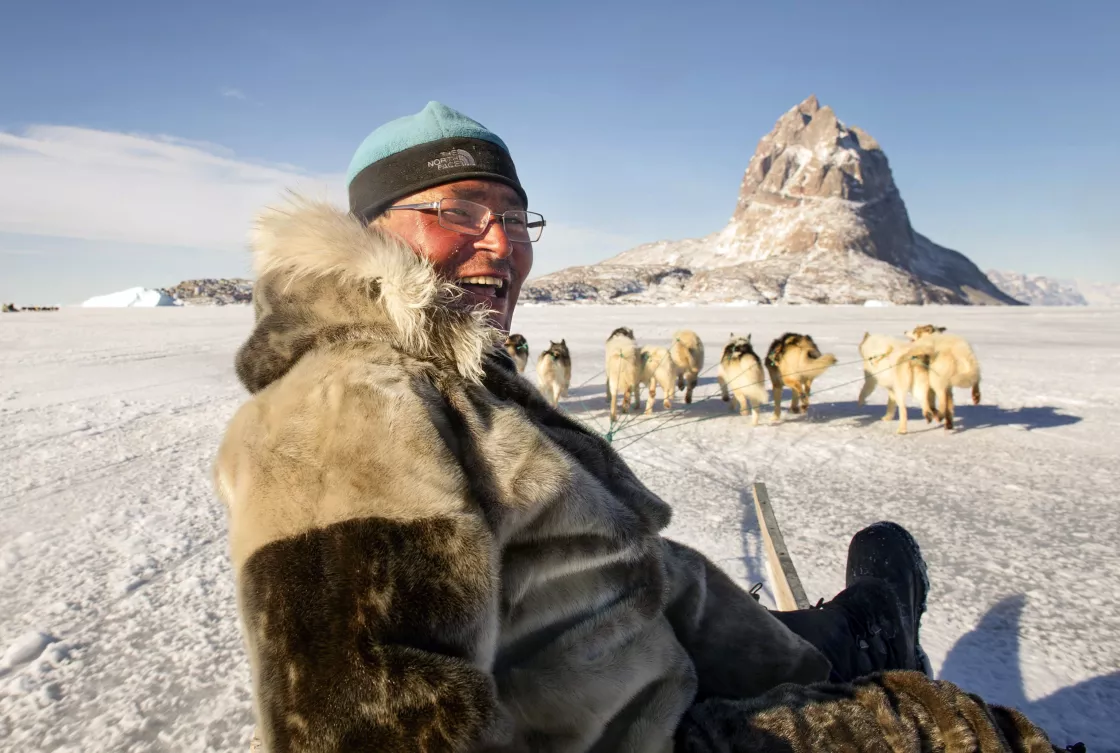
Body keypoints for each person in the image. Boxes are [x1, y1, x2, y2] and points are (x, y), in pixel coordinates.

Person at [215, 102, 1068, 752]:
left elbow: (620, 575)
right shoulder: (343, 408)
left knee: (864, 608)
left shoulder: (453, 374)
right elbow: (359, 725)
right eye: (458, 210)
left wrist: (798, 661)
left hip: (662, 679)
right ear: (373, 231)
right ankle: (873, 649)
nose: (500, 246)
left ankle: (851, 638)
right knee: (961, 729)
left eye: (514, 220)